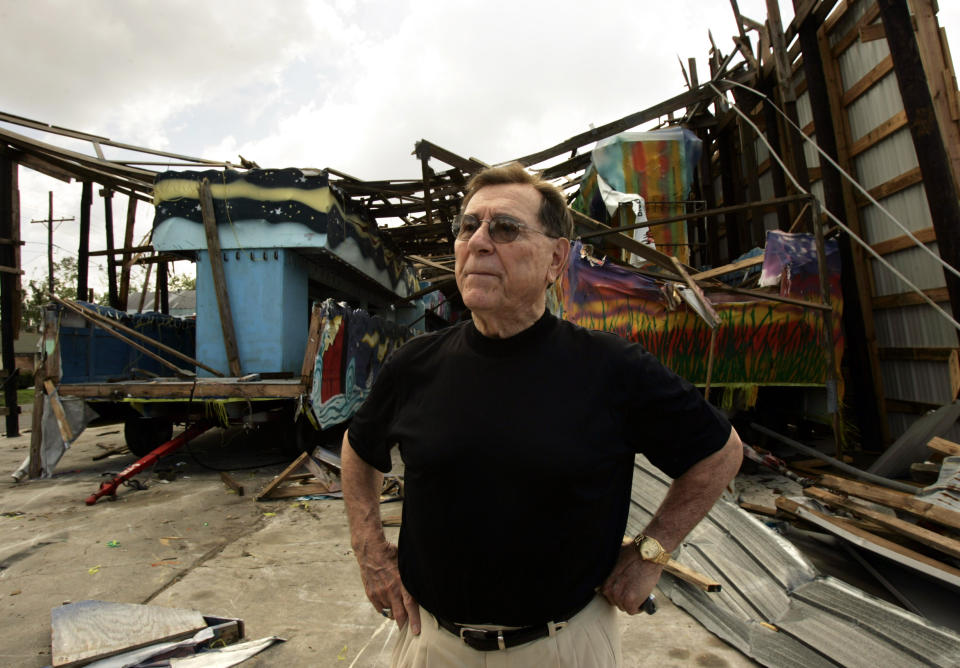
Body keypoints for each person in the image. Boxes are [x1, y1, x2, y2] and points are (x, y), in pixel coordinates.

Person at [341, 162, 743, 667]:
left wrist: (652, 553)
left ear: (557, 259)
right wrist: (370, 550)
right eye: (469, 226)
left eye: (505, 228)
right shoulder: (415, 365)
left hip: (563, 646)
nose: (479, 242)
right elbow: (359, 451)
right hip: (433, 644)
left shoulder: (610, 368)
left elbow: (720, 453)